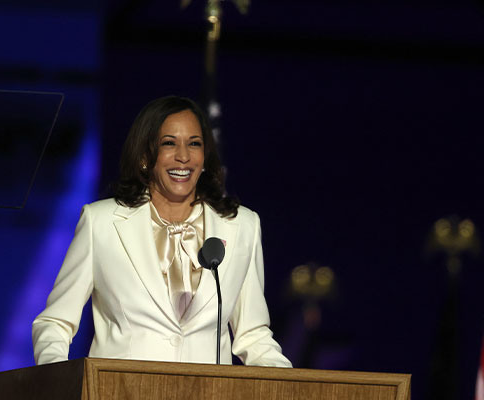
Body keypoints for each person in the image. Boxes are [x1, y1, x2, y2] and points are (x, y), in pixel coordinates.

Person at [32, 96, 291, 367]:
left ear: (204, 157)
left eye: (194, 144)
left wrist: (293, 386)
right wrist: (56, 377)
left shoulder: (243, 226)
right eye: (169, 143)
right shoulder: (101, 223)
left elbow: (253, 335)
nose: (183, 156)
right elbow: (55, 322)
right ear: (145, 157)